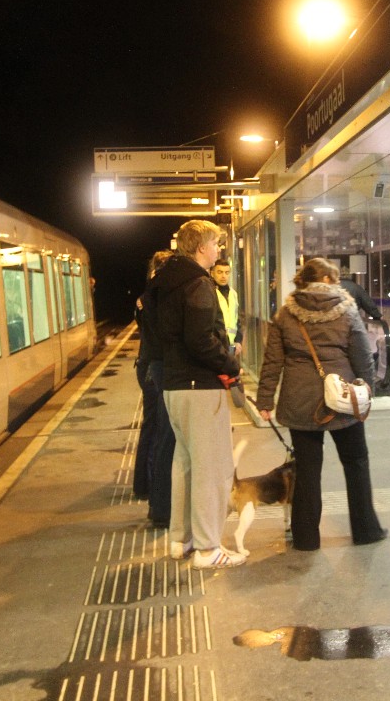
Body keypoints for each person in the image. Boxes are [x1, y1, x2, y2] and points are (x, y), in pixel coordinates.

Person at [256, 258, 385, 551]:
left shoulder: (286, 314)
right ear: (327, 279)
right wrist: (367, 390)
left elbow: (273, 361)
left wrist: (265, 399)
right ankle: (366, 530)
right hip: (341, 398)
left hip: (300, 400)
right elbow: (363, 356)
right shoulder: (347, 310)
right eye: (335, 278)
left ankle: (306, 538)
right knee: (356, 462)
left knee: (307, 470)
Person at [150, 219, 245, 568]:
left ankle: (182, 539)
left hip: (174, 384)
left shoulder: (165, 281)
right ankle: (208, 549)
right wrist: (230, 364)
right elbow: (201, 340)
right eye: (215, 243)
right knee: (212, 468)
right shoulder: (198, 284)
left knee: (185, 463)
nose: (218, 249)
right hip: (200, 387)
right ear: (202, 247)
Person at [134, 249, 172, 506]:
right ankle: (150, 485)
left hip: (145, 364)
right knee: (158, 428)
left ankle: (143, 484)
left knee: (151, 426)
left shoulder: (144, 297)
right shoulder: (155, 297)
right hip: (153, 367)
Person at [211, 257, 243, 357]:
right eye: (220, 272)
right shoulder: (210, 292)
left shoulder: (233, 294)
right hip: (216, 344)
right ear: (212, 273)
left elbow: (236, 320)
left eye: (227, 272)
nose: (223, 276)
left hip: (231, 344)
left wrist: (238, 341)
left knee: (230, 365)